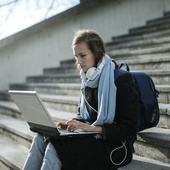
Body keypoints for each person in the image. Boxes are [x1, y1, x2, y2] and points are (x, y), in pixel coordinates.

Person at [22, 29, 140, 170]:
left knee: (56, 147)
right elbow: (83, 116)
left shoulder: (121, 79)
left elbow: (130, 128)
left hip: (114, 146)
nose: (78, 61)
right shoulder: (87, 80)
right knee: (40, 138)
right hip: (91, 137)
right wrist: (70, 124)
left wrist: (91, 128)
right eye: (76, 56)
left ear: (96, 53)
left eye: (83, 55)